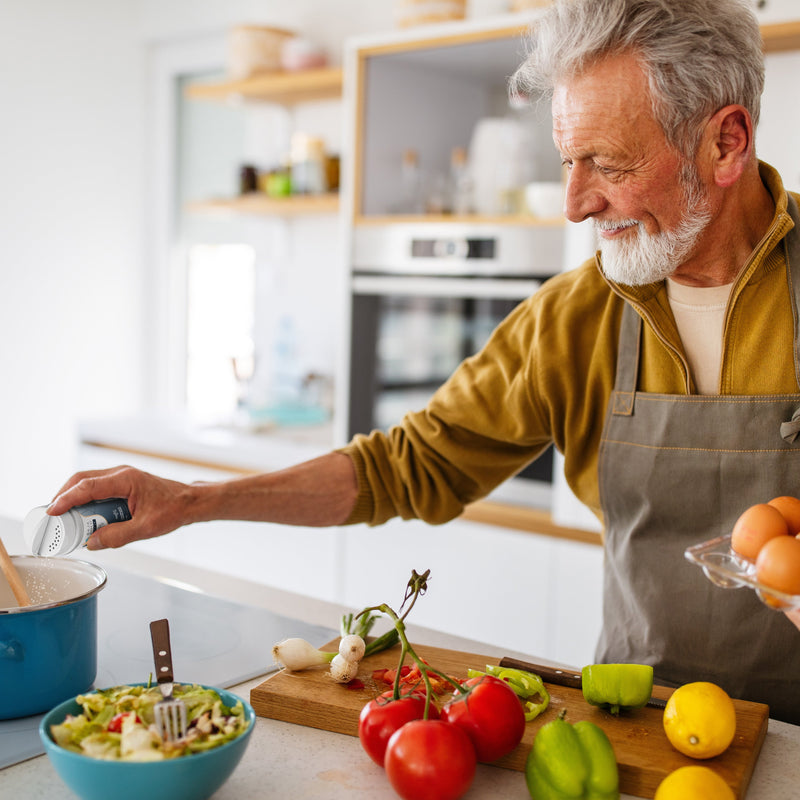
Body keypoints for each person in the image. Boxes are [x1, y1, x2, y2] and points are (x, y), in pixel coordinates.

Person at [49, 0, 800, 722]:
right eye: (569, 161)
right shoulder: (577, 316)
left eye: (606, 163)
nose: (574, 203)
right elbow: (407, 464)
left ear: (725, 142)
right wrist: (195, 502)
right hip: (638, 721)